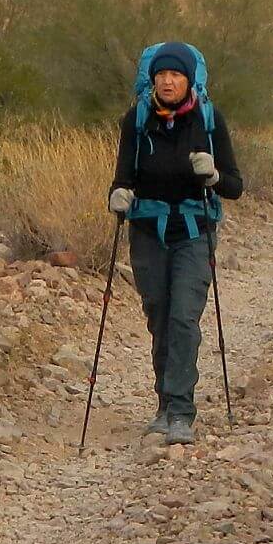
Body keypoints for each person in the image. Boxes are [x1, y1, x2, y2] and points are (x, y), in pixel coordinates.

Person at [107, 41, 243, 445]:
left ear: (189, 80)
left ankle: (181, 411)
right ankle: (164, 406)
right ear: (152, 79)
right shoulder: (136, 120)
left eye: (176, 75)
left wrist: (214, 175)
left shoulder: (208, 119)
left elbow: (235, 185)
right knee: (160, 317)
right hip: (148, 232)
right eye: (162, 74)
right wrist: (117, 196)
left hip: (194, 231)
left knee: (184, 318)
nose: (168, 81)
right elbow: (122, 178)